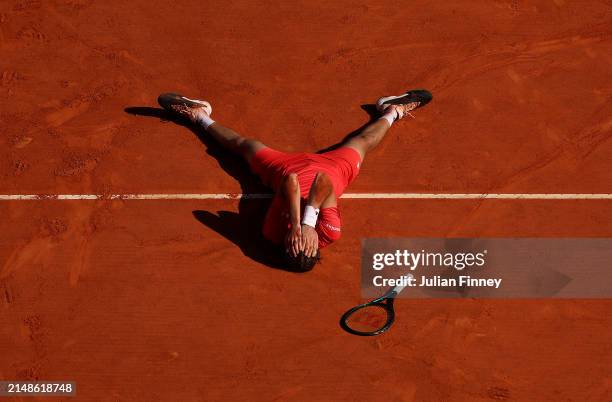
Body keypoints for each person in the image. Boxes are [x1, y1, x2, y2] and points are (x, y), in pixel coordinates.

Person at [158, 89, 432, 271]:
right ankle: (392, 111)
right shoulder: (330, 233)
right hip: (335, 170)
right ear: (316, 248)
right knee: (362, 142)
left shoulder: (273, 233)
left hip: (283, 169)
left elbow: (290, 180)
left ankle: (198, 115)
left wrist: (292, 226)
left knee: (243, 146)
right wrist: (308, 223)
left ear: (286, 246)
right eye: (306, 245)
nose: (300, 242)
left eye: (294, 245)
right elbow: (323, 181)